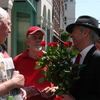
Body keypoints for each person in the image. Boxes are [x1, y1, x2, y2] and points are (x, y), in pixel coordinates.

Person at [60, 15, 100, 100]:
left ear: (85, 32)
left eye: (74, 31)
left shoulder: (97, 59)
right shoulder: (77, 58)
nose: (71, 35)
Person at [13, 26, 58, 100]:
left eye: (40, 38)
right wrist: (21, 93)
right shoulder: (17, 60)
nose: (38, 41)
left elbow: (61, 84)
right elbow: (11, 86)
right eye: (34, 38)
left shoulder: (52, 59)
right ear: (27, 41)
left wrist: (54, 89)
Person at [0, 7, 26, 99]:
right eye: (8, 24)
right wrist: (12, 83)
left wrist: (15, 91)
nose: (10, 30)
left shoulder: (1, 51)